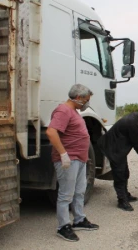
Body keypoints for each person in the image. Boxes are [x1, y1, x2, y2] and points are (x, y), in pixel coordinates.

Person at [46, 84, 99, 242]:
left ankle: (79, 220)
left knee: (79, 191)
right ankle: (63, 227)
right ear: (79, 98)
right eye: (87, 100)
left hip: (80, 159)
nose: (88, 103)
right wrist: (63, 154)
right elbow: (51, 131)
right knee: (66, 194)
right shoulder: (63, 110)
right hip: (70, 159)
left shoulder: (74, 111)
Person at [98, 108, 138, 211]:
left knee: (125, 173)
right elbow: (136, 145)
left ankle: (126, 195)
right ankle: (122, 201)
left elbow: (137, 135)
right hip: (113, 148)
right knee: (120, 174)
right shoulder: (132, 123)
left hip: (119, 148)